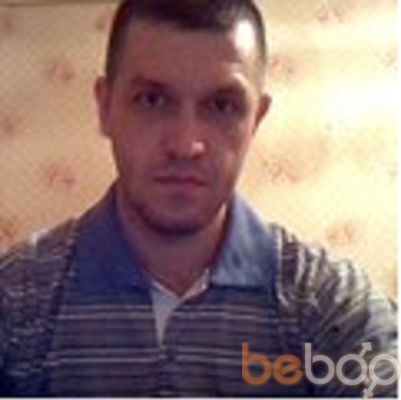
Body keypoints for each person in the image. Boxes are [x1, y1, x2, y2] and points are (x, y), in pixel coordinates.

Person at [0, 0, 397, 397]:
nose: (185, 145)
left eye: (222, 106)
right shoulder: (15, 297)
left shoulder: (333, 308)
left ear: (255, 119)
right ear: (105, 107)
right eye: (152, 100)